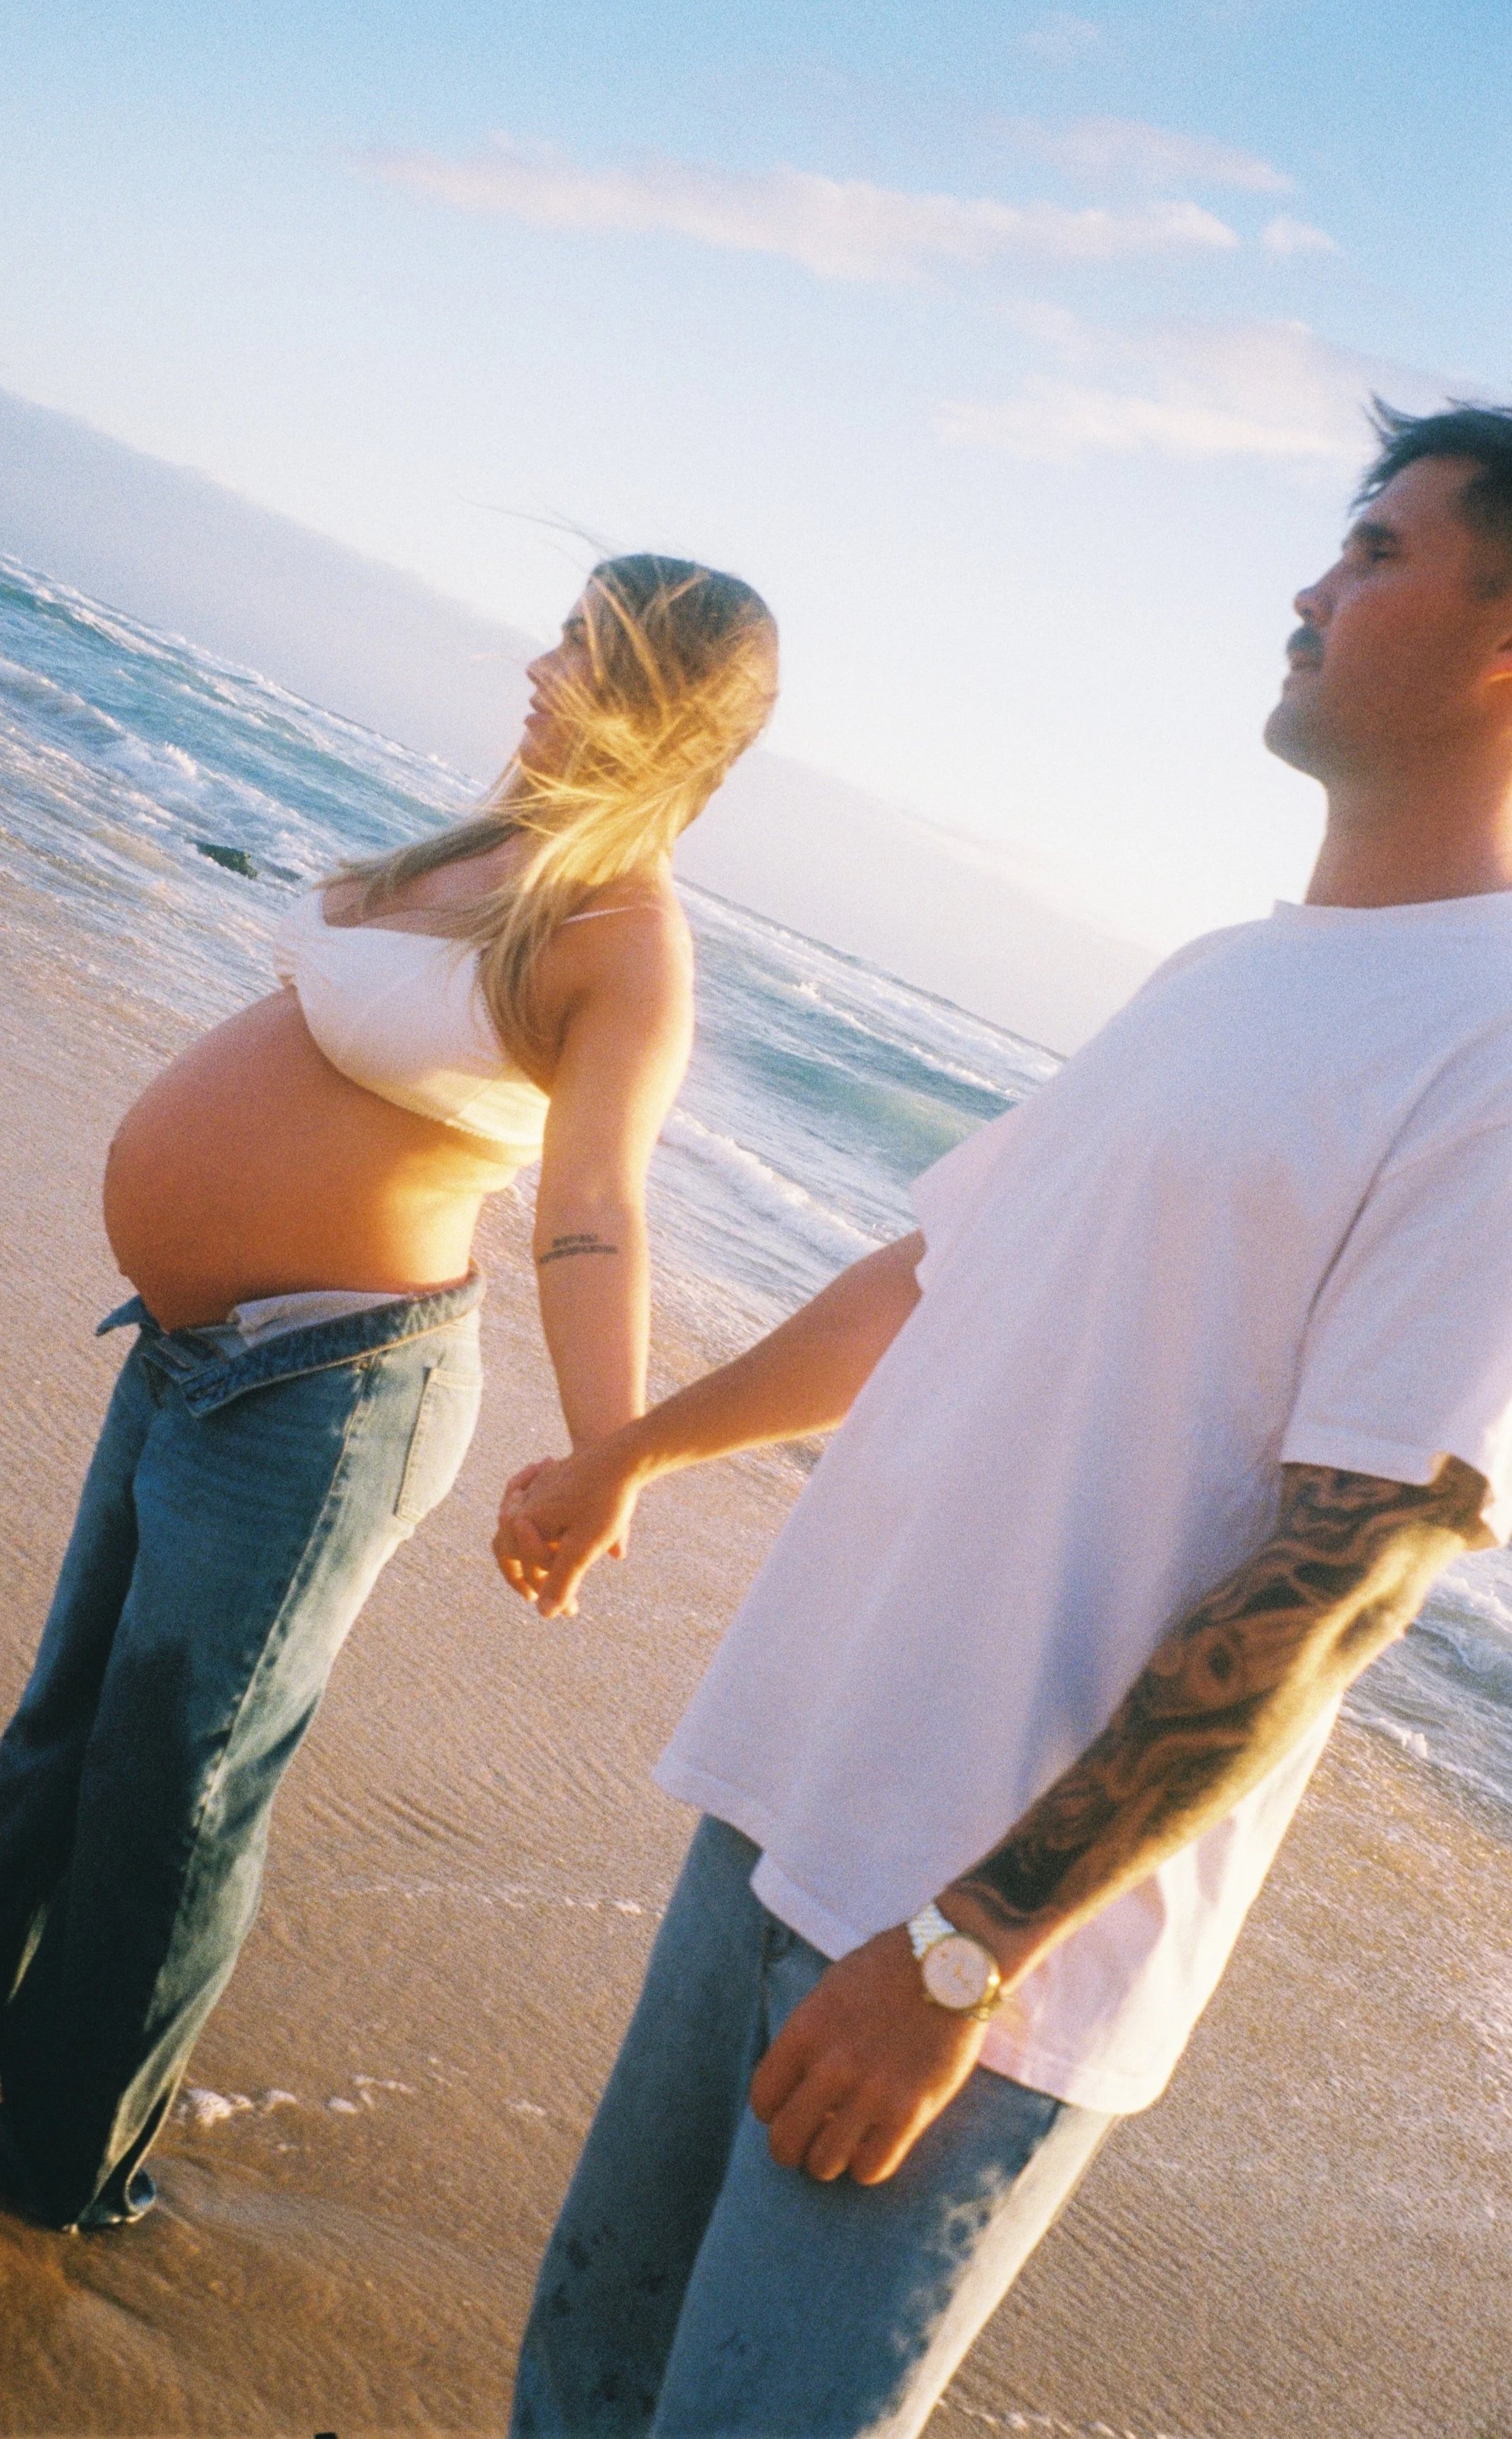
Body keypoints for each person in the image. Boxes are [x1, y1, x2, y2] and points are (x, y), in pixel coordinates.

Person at [493, 403, 1512, 2438]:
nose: (1311, 593)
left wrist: (968, 1951)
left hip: (970, 1951)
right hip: (788, 1796)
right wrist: (633, 1446)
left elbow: (1357, 1555)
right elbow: (927, 1279)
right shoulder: (1228, 970)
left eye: (1377, 554)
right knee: (578, 2393)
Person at [0, 554, 778, 2233]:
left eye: (584, 647)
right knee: (72, 1704)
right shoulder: (482, 855)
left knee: (182, 1781)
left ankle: (71, 2152)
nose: (540, 662)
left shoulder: (624, 940)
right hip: (188, 1350)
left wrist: (612, 1454)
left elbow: (592, 1207)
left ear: (656, 706)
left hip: (326, 1391)